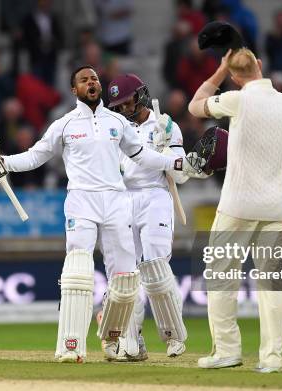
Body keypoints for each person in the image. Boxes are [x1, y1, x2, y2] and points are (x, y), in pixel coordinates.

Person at [0, 65, 202, 363]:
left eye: (94, 78)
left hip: (117, 202)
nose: (90, 82)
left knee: (126, 278)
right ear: (73, 90)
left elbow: (142, 155)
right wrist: (1, 162)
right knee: (78, 271)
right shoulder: (64, 124)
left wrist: (177, 164)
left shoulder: (117, 121)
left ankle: (118, 342)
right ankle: (71, 346)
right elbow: (36, 156)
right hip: (81, 200)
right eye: (83, 80)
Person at [187, 48, 282, 371]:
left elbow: (194, 105)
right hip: (276, 206)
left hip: (237, 205)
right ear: (261, 66)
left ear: (235, 77)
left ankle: (227, 351)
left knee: (222, 278)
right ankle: (271, 358)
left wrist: (218, 73)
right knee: (272, 285)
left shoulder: (236, 99)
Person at [106, 73, 189, 360]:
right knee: (127, 272)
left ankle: (173, 336)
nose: (122, 108)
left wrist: (168, 147)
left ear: (141, 95)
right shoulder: (114, 127)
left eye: (126, 101)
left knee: (155, 267)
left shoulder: (167, 125)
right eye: (117, 104)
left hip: (155, 195)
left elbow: (180, 175)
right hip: (123, 198)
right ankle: (132, 341)